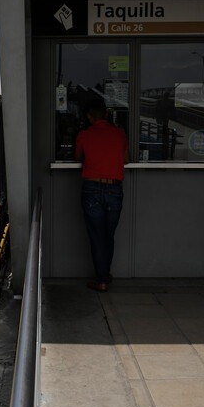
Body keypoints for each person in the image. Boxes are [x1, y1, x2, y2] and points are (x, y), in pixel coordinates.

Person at [75, 98, 130, 292]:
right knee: (109, 235)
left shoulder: (85, 134)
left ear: (90, 117)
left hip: (92, 189)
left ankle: (101, 280)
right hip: (115, 189)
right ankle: (105, 273)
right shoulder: (119, 134)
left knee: (97, 236)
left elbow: (78, 156)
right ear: (106, 114)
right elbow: (126, 159)